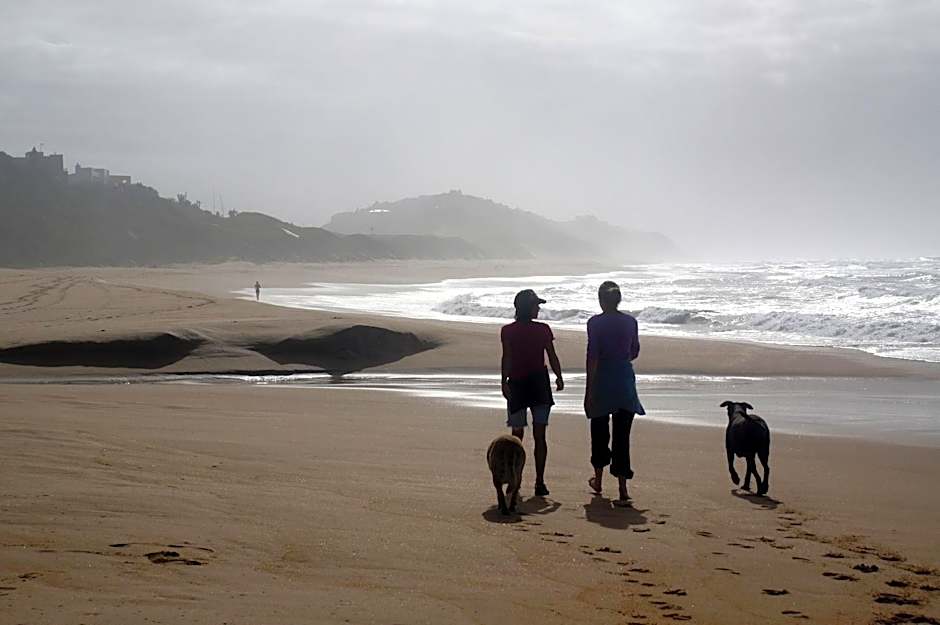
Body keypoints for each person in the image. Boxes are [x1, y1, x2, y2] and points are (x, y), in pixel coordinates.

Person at [584, 281, 645, 504]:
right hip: (624, 379)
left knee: (599, 431)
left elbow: (593, 356)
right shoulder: (631, 321)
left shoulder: (595, 323)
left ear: (601, 300)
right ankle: (622, 488)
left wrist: (588, 390)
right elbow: (634, 351)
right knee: (622, 435)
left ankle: (598, 480)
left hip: (603, 379)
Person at [500, 289, 564, 497]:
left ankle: (514, 479)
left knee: (517, 435)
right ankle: (539, 482)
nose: (538, 309)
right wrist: (559, 376)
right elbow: (552, 356)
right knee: (540, 435)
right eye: (536, 306)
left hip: (517, 383)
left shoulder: (508, 331)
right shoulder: (543, 330)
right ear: (529, 308)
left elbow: (507, 357)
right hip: (538, 383)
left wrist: (503, 381)